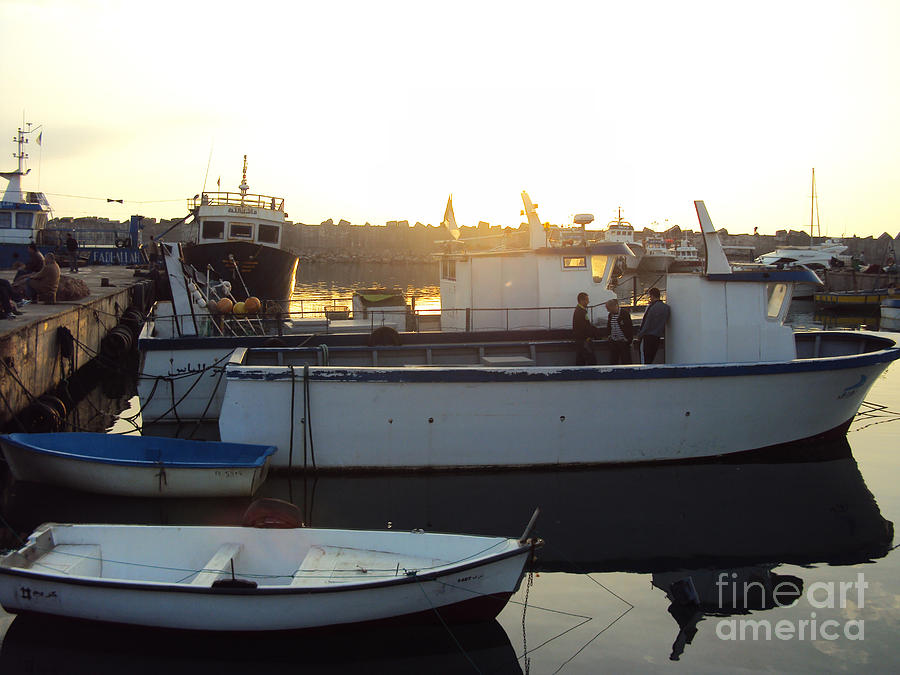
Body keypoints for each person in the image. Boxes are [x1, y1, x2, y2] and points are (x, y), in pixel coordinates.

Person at [635, 287, 670, 364]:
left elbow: (647, 323)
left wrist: (640, 335)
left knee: (645, 360)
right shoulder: (666, 308)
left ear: (652, 296)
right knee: (651, 358)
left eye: (650, 296)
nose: (649, 298)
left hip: (647, 337)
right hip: (657, 337)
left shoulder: (651, 307)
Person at [572, 291, 602, 365]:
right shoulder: (581, 312)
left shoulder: (579, 311)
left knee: (580, 360)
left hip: (580, 340)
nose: (588, 302)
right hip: (584, 341)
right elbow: (585, 327)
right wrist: (594, 334)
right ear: (582, 300)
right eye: (587, 300)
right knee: (591, 360)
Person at [605, 298, 633, 364]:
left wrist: (628, 340)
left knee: (626, 361)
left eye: (609, 309)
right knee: (613, 361)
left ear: (614, 306)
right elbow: (609, 326)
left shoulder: (624, 314)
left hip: (623, 342)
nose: (608, 311)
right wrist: (609, 336)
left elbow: (629, 328)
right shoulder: (610, 315)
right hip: (614, 342)